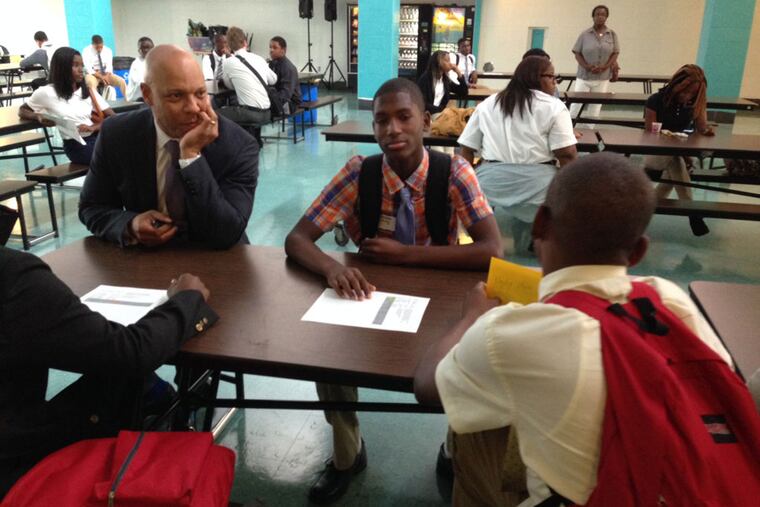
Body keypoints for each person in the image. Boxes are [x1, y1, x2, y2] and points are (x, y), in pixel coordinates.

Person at [413, 152, 736, 507]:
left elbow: (427, 386)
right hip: (699, 486)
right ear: (639, 251)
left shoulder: (507, 333)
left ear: (539, 224)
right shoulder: (670, 300)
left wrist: (470, 316)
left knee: (474, 428)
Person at [285, 78, 501, 504]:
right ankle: (348, 453)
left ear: (426, 120)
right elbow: (297, 240)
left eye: (404, 117)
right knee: (326, 359)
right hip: (370, 295)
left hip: (437, 296)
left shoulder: (453, 171)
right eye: (381, 120)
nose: (392, 130)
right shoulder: (358, 172)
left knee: (471, 354)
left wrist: (405, 255)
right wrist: (331, 269)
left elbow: (492, 249)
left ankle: (451, 449)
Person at [0, 245, 216, 499]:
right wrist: (187, 300)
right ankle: (162, 454)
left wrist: (130, 225)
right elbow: (131, 353)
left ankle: (163, 404)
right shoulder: (13, 275)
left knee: (120, 377)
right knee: (122, 378)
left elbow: (227, 226)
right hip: (15, 464)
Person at [78, 44, 259, 250]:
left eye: (200, 94)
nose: (192, 107)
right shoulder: (118, 134)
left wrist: (190, 157)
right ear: (147, 95)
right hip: (145, 260)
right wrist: (130, 224)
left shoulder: (238, 144)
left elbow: (226, 233)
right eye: (176, 96)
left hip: (215, 259)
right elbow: (91, 207)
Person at [457, 55, 577, 237]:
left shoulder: (488, 104)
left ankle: (483, 235)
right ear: (537, 77)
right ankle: (540, 236)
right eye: (552, 77)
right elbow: (567, 154)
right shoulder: (555, 107)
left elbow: (466, 149)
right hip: (539, 185)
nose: (555, 83)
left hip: (490, 182)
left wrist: (469, 183)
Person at [644, 64, 714, 236]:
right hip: (656, 154)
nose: (687, 96)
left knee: (676, 166)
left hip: (680, 153)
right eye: (685, 91)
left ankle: (645, 208)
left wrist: (706, 129)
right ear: (676, 85)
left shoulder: (694, 104)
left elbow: (701, 128)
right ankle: (692, 212)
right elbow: (649, 133)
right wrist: (681, 151)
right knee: (676, 160)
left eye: (693, 93)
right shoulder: (655, 101)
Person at [19, 47, 115, 165]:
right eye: (75, 65)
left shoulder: (87, 91)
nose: (81, 70)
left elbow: (113, 117)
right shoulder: (46, 92)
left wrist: (94, 127)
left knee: (126, 152)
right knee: (116, 157)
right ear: (62, 68)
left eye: (82, 65)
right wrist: (37, 116)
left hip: (98, 138)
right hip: (77, 146)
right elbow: (22, 110)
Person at [569, 5, 620, 124]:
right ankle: (570, 130)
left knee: (595, 107)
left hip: (602, 77)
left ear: (607, 17)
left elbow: (615, 53)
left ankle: (590, 132)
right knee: (576, 104)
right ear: (593, 16)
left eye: (603, 14)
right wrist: (587, 66)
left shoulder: (612, 34)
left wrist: (605, 66)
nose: (600, 17)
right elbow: (577, 52)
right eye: (597, 14)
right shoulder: (585, 34)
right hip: (584, 76)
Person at [219, 26, 277, 130]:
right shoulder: (258, 58)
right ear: (245, 42)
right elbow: (273, 80)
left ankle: (228, 145)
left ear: (229, 46)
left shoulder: (228, 62)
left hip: (249, 113)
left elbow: (229, 85)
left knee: (215, 114)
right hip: (267, 112)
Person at [417, 50, 468, 115]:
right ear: (439, 62)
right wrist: (441, 111)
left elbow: (463, 92)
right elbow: (422, 103)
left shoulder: (445, 80)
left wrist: (459, 73)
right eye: (447, 61)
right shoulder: (426, 78)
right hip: (427, 114)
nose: (450, 64)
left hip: (440, 113)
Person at [268, 36, 301, 116]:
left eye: (275, 48)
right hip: (277, 99)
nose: (271, 50)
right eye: (270, 47)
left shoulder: (288, 68)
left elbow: (285, 95)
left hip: (290, 104)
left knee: (260, 112)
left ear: (283, 50)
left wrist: (269, 102)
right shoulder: (273, 64)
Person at [125, 36, 153, 102]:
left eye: (149, 48)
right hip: (136, 98)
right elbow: (141, 82)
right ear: (139, 50)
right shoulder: (136, 64)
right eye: (144, 48)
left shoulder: (155, 60)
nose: (146, 50)